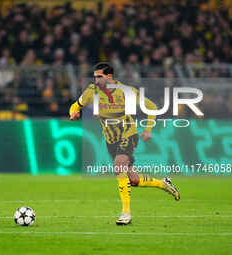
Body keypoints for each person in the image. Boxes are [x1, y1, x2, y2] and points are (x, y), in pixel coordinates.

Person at [69, 62, 180, 225]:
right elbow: (75, 105)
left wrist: (148, 130)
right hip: (111, 141)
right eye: (94, 77)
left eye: (99, 76)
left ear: (109, 76)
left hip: (128, 134)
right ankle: (163, 184)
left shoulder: (126, 92)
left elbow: (152, 106)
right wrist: (74, 113)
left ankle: (126, 213)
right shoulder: (91, 92)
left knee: (118, 165)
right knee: (133, 180)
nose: (96, 80)